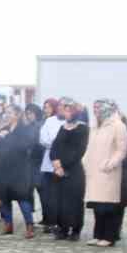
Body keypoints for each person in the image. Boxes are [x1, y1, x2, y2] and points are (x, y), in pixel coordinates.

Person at [84, 99, 127, 247]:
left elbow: (121, 150)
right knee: (97, 205)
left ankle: (109, 236)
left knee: (108, 206)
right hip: (93, 171)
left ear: (106, 109)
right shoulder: (95, 126)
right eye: (94, 108)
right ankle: (98, 235)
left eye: (98, 108)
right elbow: (89, 147)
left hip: (108, 172)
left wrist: (110, 164)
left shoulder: (118, 126)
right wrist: (84, 160)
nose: (95, 111)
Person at [0, 106, 40, 237]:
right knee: (4, 197)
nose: (6, 115)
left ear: (18, 115)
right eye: (6, 113)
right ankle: (8, 225)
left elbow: (27, 145)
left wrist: (11, 137)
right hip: (3, 169)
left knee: (22, 198)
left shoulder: (25, 130)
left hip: (19, 169)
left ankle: (29, 226)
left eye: (10, 113)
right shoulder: (4, 129)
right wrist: (1, 137)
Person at [49, 99, 89, 241]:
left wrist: (62, 165)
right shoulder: (63, 127)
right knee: (60, 201)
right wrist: (55, 163)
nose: (65, 113)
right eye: (64, 110)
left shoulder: (83, 128)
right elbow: (54, 147)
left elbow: (79, 151)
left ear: (75, 112)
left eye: (68, 110)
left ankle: (76, 230)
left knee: (75, 201)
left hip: (74, 170)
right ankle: (63, 228)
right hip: (59, 170)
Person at [35, 100, 64, 233]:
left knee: (59, 195)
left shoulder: (67, 122)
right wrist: (55, 143)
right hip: (47, 162)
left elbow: (65, 141)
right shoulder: (49, 121)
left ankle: (60, 222)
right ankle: (50, 221)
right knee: (48, 195)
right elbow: (43, 139)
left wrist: (55, 143)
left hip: (63, 162)